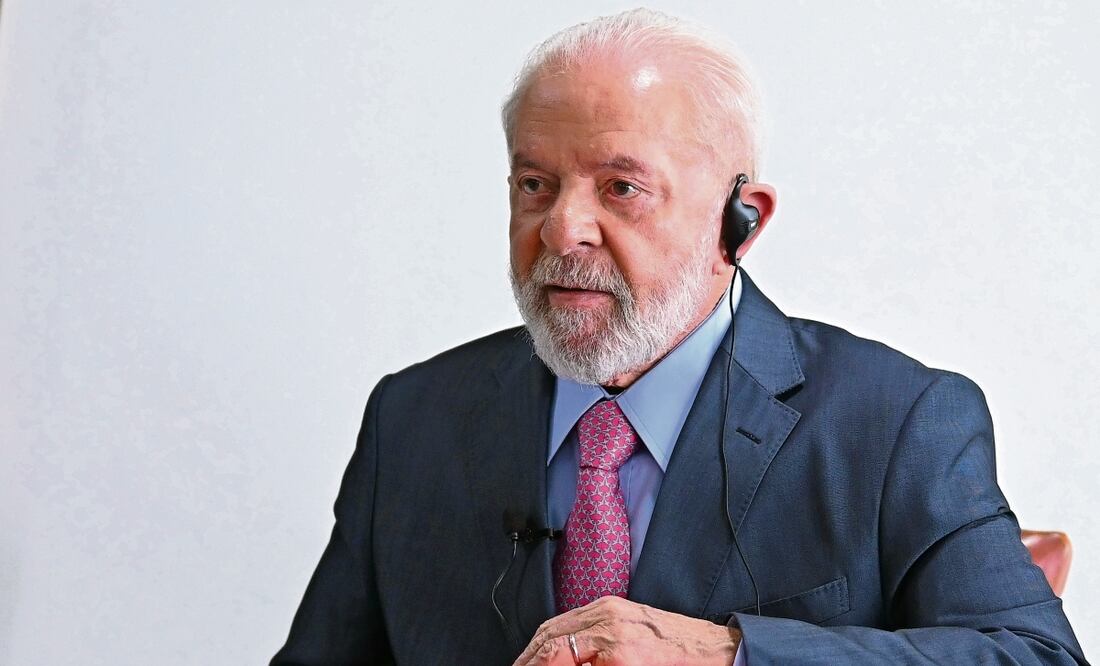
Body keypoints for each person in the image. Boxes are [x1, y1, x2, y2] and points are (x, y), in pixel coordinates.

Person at [271, 9, 1086, 665]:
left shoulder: (896, 419)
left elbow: (1029, 655)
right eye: (535, 183)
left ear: (741, 222)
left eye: (621, 187)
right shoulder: (413, 416)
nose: (561, 229)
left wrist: (733, 654)